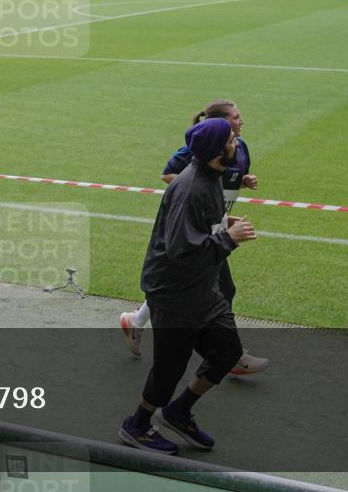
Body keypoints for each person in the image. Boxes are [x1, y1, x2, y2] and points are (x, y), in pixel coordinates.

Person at [119, 118, 257, 454]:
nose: (236, 142)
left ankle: (179, 411)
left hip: (202, 291)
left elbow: (200, 226)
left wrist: (224, 223)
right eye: (230, 140)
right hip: (175, 293)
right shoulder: (190, 187)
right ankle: (137, 425)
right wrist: (229, 238)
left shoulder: (212, 176)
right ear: (214, 151)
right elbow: (181, 250)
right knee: (169, 368)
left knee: (227, 352)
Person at [121, 99, 268, 375]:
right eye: (236, 118)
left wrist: (244, 181)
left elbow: (233, 173)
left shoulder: (240, 146)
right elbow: (168, 174)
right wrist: (197, 193)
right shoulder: (197, 151)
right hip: (195, 224)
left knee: (185, 282)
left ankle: (136, 321)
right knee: (216, 287)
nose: (242, 122)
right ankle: (230, 355)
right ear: (222, 123)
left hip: (215, 224)